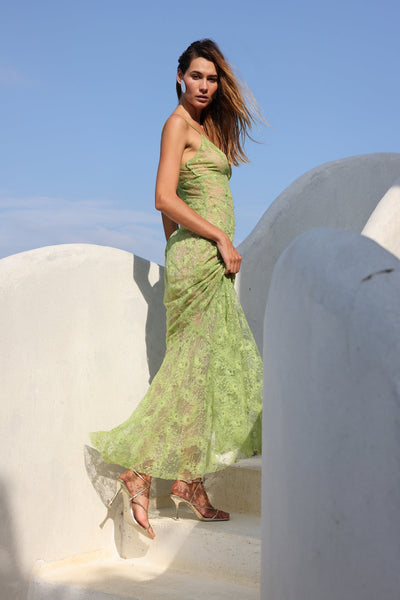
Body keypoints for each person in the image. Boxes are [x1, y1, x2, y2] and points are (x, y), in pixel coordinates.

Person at [90, 39, 263, 540]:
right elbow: (164, 197)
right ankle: (139, 472)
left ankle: (189, 480)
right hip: (203, 257)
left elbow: (178, 211)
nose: (204, 86)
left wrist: (181, 249)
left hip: (204, 263)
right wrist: (217, 238)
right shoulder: (177, 125)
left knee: (203, 373)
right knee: (190, 370)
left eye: (212, 78)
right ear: (180, 77)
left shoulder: (207, 128)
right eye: (196, 76)